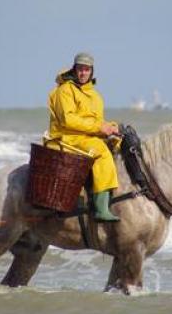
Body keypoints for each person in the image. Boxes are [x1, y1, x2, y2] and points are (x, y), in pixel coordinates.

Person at [47, 52, 121, 222]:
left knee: (118, 144)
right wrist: (99, 127)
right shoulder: (65, 90)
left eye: (87, 70)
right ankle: (100, 209)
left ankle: (113, 195)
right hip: (67, 137)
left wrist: (110, 127)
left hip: (86, 136)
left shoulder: (95, 96)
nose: (83, 73)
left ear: (92, 72)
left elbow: (97, 121)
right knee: (102, 152)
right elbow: (68, 120)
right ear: (75, 70)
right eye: (80, 69)